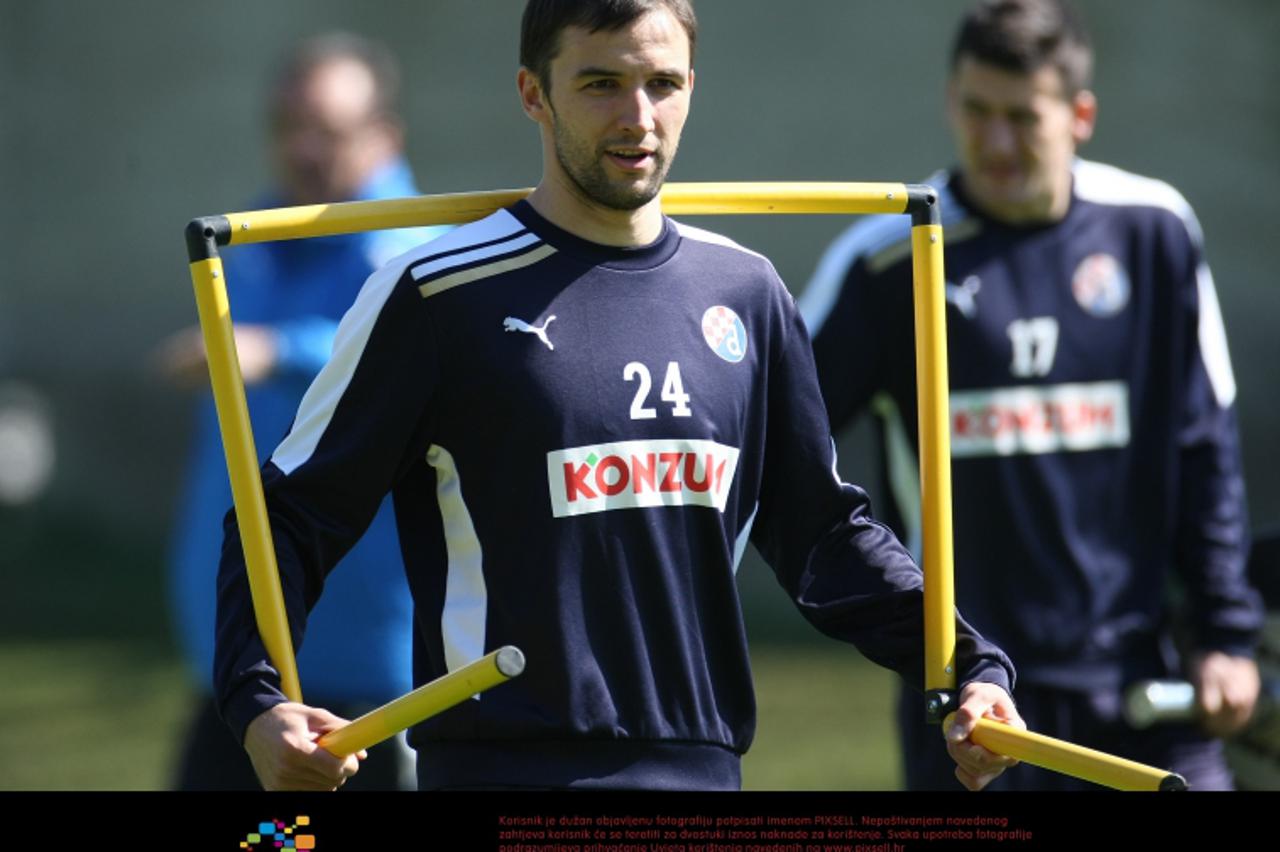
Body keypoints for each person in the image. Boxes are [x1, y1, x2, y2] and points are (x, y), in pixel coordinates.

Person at [214, 0, 1023, 792]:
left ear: (692, 87)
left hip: (705, 776)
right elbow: (286, 518)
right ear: (534, 93)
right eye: (601, 83)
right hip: (504, 774)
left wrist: (965, 667)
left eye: (662, 84)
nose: (638, 116)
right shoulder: (437, 297)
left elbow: (824, 538)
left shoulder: (747, 293)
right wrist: (259, 702)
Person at [799, 0, 1263, 790]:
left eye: (1024, 116)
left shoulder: (1153, 232)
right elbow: (780, 450)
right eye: (976, 111)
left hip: (1144, 682)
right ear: (951, 100)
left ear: (1080, 114)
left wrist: (1226, 634)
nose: (997, 140)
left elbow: (1203, 447)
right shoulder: (890, 258)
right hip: (976, 705)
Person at [160, 33, 449, 790]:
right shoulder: (257, 233)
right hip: (244, 678)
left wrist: (277, 350)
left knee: (287, 844)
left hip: (367, 697)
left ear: (385, 134)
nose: (302, 148)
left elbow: (404, 351)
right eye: (288, 126)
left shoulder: (417, 250)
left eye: (328, 129)